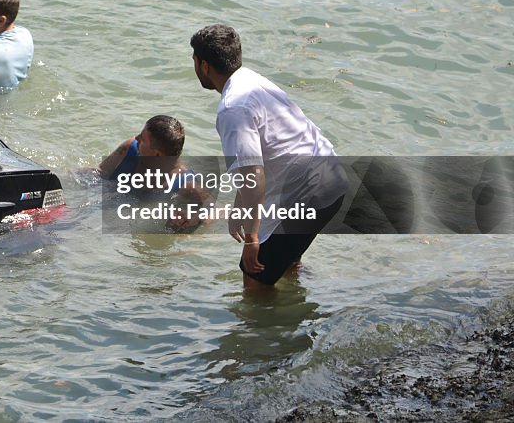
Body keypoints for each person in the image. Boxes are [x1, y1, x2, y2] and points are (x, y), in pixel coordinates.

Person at [190, 24, 348, 290]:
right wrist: (241, 208)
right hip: (331, 176)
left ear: (204, 65)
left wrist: (252, 240)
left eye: (194, 61)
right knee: (286, 262)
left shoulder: (232, 108)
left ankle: (268, 330)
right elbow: (258, 159)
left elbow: (254, 176)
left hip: (306, 192)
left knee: (254, 278)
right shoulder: (251, 80)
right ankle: (297, 301)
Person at [98, 114, 214, 232]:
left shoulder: (186, 184)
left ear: (157, 154)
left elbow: (215, 210)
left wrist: (194, 219)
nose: (136, 138)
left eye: (142, 138)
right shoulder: (129, 149)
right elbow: (98, 173)